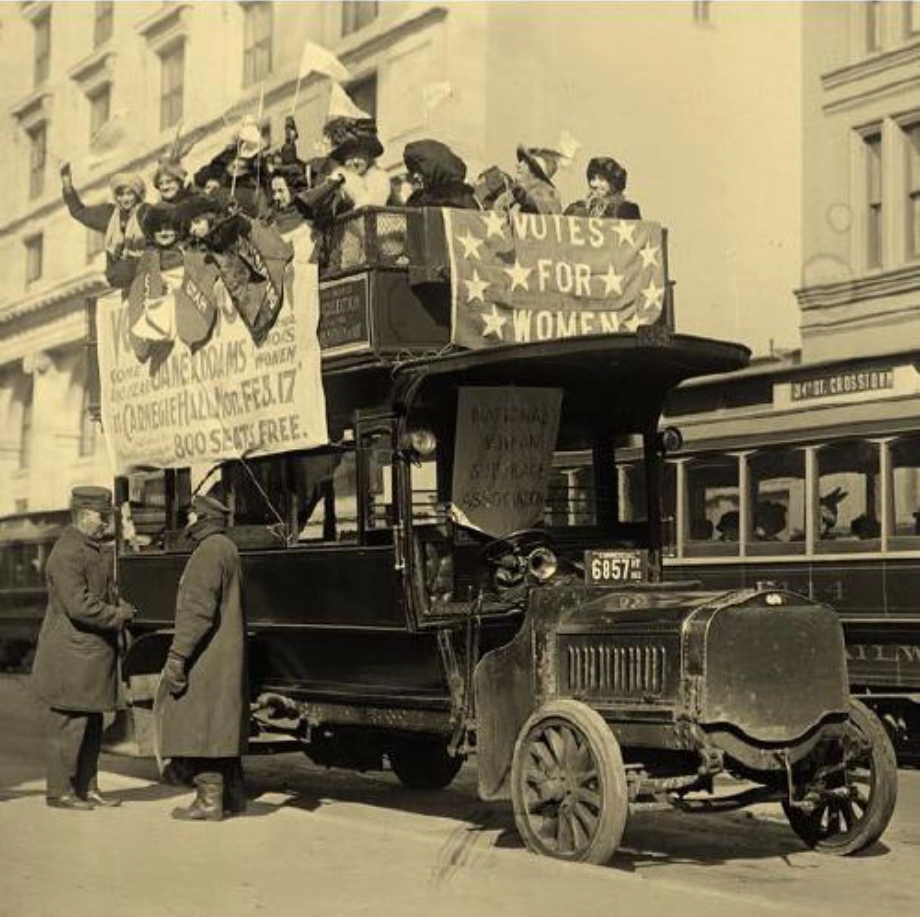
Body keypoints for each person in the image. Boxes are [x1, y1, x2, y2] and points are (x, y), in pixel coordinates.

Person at [30, 486, 137, 810]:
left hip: (87, 655)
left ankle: (87, 787)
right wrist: (117, 615)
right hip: (73, 656)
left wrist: (121, 605)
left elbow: (99, 595)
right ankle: (60, 791)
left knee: (90, 724)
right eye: (103, 517)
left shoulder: (89, 548)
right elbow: (79, 605)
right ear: (85, 515)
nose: (106, 523)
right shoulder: (68, 552)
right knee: (70, 725)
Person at [158, 493, 248, 821]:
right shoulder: (226, 548)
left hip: (207, 657)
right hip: (225, 655)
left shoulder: (207, 553)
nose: (187, 522)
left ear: (201, 518)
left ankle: (208, 801)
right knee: (220, 724)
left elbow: (197, 611)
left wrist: (178, 655)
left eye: (190, 516)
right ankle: (233, 797)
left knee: (202, 724)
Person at [60, 162, 148, 290]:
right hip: (119, 280)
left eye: (129, 194)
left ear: (137, 195)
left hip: (144, 277)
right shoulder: (109, 214)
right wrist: (67, 184)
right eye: (121, 194)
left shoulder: (146, 213)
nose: (125, 199)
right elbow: (79, 212)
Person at [402, 139, 479, 209]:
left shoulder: (459, 199)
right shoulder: (419, 197)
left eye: (419, 170)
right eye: (413, 170)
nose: (415, 175)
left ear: (434, 168)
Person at [564, 157, 642, 219]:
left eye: (601, 179)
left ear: (613, 184)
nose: (593, 184)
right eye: (592, 178)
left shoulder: (627, 210)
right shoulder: (576, 208)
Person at [494, 145, 562, 215]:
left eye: (526, 163)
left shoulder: (551, 193)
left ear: (535, 172)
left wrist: (517, 193)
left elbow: (543, 206)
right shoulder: (522, 193)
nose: (518, 165)